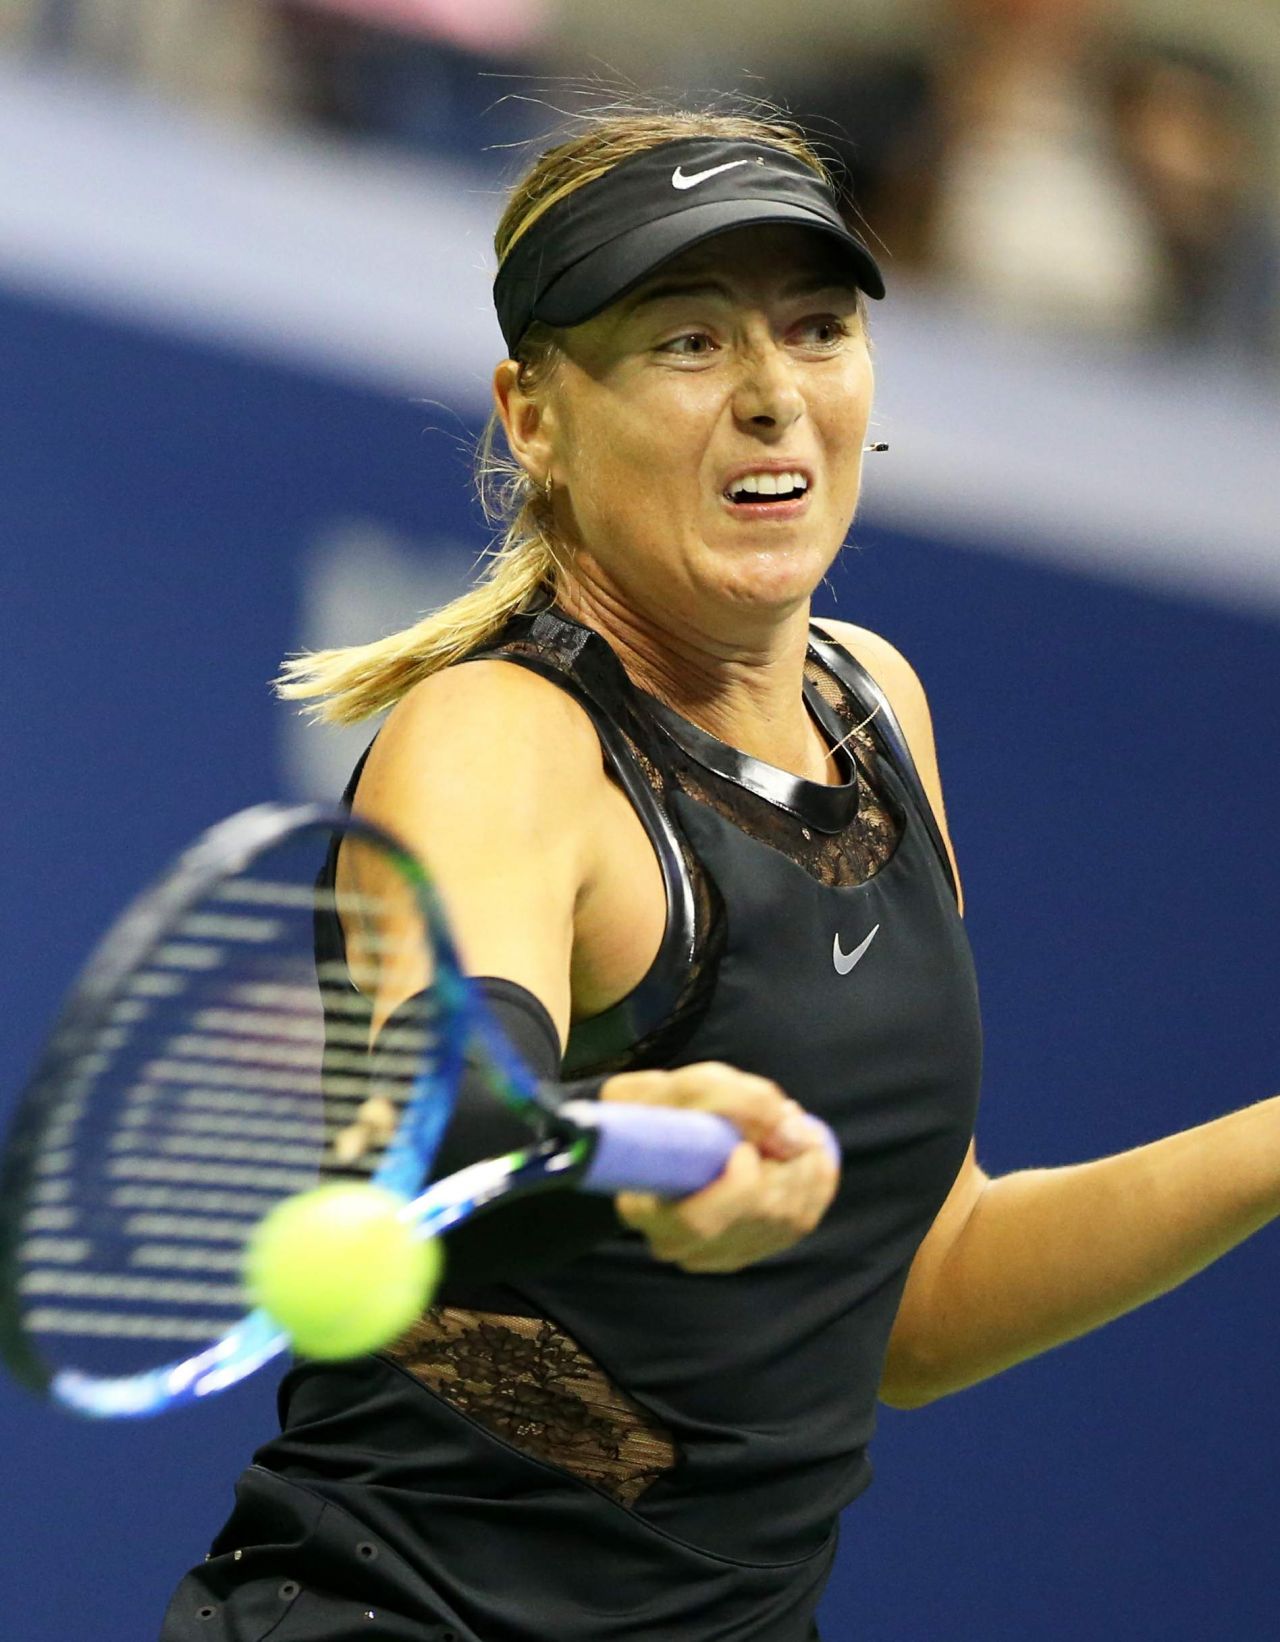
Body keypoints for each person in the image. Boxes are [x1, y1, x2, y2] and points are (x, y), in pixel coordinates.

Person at [161, 105, 1279, 1642]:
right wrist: (630, 1141)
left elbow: (920, 1300)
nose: (772, 396)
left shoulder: (876, 706)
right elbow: (450, 1102)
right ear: (534, 415)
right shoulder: (501, 736)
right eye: (688, 342)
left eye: (817, 328)